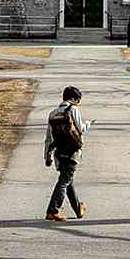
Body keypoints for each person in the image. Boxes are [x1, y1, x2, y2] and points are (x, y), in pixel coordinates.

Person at [44, 85, 90, 221]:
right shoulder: (73, 109)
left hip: (59, 152)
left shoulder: (53, 113)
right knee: (64, 181)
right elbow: (80, 129)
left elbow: (48, 137)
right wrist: (88, 124)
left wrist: (47, 156)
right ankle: (53, 210)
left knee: (67, 180)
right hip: (72, 151)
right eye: (79, 100)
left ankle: (78, 209)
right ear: (75, 99)